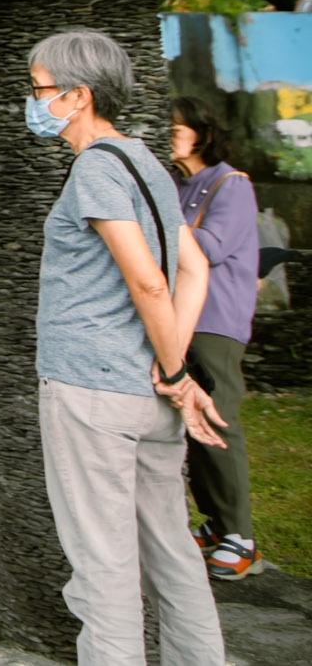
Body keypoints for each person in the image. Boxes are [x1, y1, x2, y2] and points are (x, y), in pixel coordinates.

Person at [26, 28, 226, 666]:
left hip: (91, 392)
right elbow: (193, 270)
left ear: (78, 96)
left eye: (40, 91)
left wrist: (174, 367)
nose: (33, 103)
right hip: (147, 393)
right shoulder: (147, 163)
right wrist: (173, 371)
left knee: (103, 568)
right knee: (171, 551)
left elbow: (148, 277)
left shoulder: (93, 169)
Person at [171, 96, 264, 579]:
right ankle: (216, 523)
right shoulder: (176, 184)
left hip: (215, 322)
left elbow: (207, 247)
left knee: (218, 421)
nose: (167, 134)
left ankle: (241, 536)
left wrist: (160, 225)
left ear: (200, 132)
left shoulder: (231, 184)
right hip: (177, 320)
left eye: (175, 127)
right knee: (189, 428)